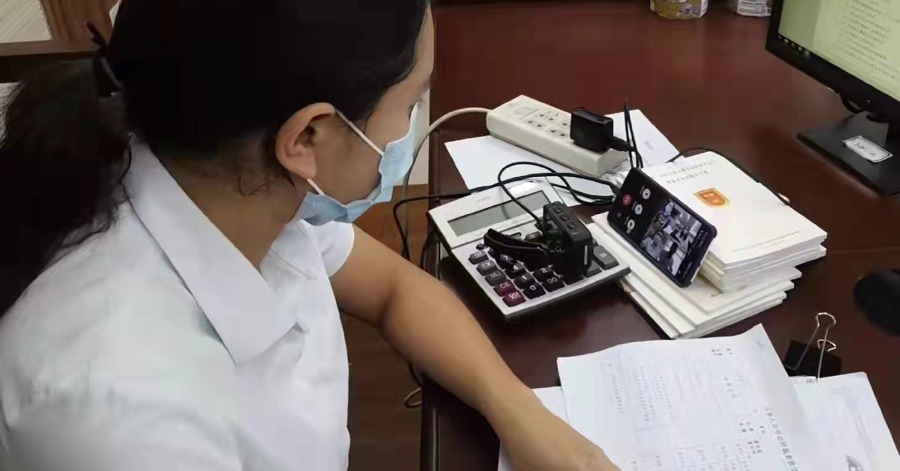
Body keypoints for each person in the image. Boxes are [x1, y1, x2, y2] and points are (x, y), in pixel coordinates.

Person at [0, 1, 619, 470]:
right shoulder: (118, 418)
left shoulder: (236, 178)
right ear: (307, 137)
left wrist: (520, 412)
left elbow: (394, 289)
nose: (408, 130)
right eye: (410, 104)